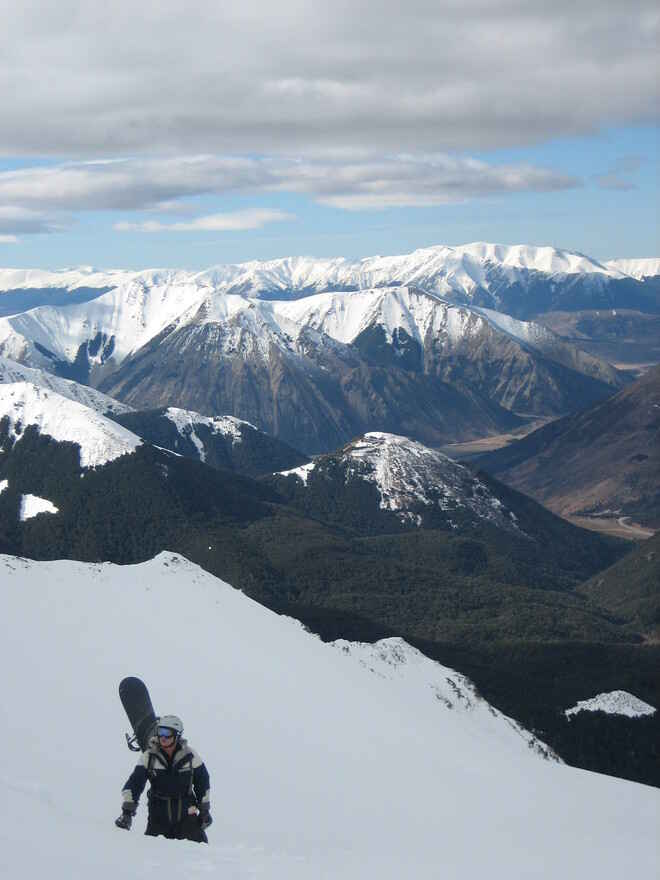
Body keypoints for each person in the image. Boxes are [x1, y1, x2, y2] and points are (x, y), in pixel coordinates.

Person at [115, 714, 212, 843]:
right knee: (153, 856)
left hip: (187, 816)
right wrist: (127, 812)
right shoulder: (149, 757)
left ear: (177, 735)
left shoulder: (190, 756)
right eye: (160, 732)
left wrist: (204, 810)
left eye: (167, 733)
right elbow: (134, 784)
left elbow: (203, 782)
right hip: (158, 818)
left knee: (199, 854)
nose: (163, 737)